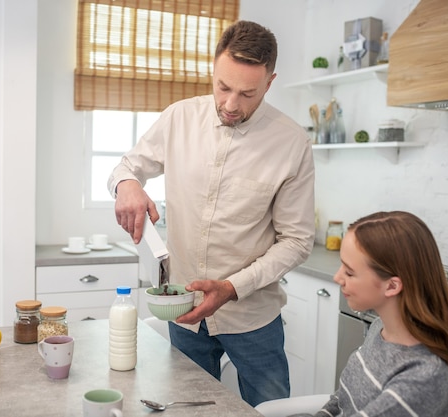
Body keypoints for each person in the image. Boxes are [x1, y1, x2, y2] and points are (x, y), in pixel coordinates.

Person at [108, 20, 315, 407]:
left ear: (269, 83)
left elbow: (298, 241)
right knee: (189, 410)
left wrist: (231, 288)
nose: (231, 104)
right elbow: (125, 167)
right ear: (213, 70)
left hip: (253, 317)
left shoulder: (292, 143)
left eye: (247, 93)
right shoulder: (178, 118)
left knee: (269, 413)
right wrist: (127, 185)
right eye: (223, 87)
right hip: (185, 309)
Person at [291, 211, 448, 417]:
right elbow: (343, 399)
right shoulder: (380, 328)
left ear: (392, 286)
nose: (337, 277)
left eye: (349, 272)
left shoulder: (423, 378)